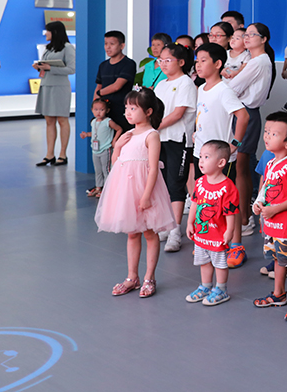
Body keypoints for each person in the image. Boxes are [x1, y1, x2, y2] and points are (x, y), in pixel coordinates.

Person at [95, 89, 176, 298]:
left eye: (133, 108)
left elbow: (153, 168)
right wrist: (118, 146)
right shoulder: (128, 135)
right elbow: (117, 165)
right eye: (126, 108)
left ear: (148, 111)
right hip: (127, 191)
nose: (128, 112)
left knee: (149, 233)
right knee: (132, 233)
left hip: (144, 190)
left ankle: (149, 277)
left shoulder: (152, 135)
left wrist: (147, 196)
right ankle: (132, 277)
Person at [252, 112, 287, 322]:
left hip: (286, 224)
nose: (267, 136)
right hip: (271, 224)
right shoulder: (270, 163)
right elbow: (266, 188)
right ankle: (278, 294)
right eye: (266, 132)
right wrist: (259, 203)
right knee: (277, 258)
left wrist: (274, 210)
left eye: (273, 134)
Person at [228, 22, 276, 248]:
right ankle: (245, 216)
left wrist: (229, 77)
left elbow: (233, 87)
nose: (246, 38)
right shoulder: (253, 59)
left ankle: (244, 218)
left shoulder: (258, 61)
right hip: (245, 111)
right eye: (245, 34)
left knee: (241, 166)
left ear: (263, 39)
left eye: (252, 35)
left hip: (246, 112)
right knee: (242, 165)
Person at [190, 43, 248, 230]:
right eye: (197, 61)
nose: (198, 65)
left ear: (217, 64)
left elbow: (243, 116)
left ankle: (235, 241)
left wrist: (234, 143)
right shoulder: (201, 88)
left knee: (227, 201)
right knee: (204, 197)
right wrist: (197, 132)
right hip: (201, 152)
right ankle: (207, 234)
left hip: (220, 156)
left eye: (203, 60)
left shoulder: (224, 90)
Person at [185, 140, 239, 307]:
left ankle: (221, 289)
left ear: (221, 163)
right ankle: (206, 286)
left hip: (218, 235)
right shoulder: (200, 182)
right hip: (202, 233)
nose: (201, 161)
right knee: (204, 261)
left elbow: (230, 212)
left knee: (220, 263)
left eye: (206, 157)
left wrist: (229, 230)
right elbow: (195, 203)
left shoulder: (228, 187)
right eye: (200, 156)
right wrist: (189, 222)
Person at [155, 43, 197, 253]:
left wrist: (155, 126)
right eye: (161, 60)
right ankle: (167, 225)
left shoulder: (186, 83)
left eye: (168, 60)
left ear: (181, 62)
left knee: (175, 184)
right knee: (162, 184)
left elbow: (178, 113)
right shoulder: (161, 84)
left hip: (178, 140)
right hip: (160, 139)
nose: (163, 64)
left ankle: (175, 232)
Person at [34, 20, 76, 166]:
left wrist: (50, 68)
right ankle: (49, 154)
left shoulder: (67, 48)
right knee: (49, 121)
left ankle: (63, 154)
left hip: (60, 88)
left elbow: (71, 69)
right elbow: (46, 67)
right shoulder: (48, 48)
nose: (46, 33)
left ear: (55, 32)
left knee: (62, 120)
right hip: (46, 85)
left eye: (48, 31)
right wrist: (40, 67)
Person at [94, 30, 137, 133]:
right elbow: (99, 85)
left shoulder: (129, 64)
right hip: (105, 113)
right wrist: (96, 106)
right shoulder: (103, 65)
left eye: (112, 44)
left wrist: (100, 93)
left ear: (122, 46)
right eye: (106, 44)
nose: (108, 47)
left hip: (121, 112)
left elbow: (117, 86)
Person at [81, 99, 122, 198]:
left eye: (101, 110)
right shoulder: (93, 122)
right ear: (92, 110)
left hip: (105, 149)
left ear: (107, 110)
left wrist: (114, 140)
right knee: (98, 170)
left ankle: (108, 188)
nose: (98, 112)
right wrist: (87, 134)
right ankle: (98, 187)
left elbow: (119, 129)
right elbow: (95, 134)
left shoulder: (108, 122)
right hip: (95, 150)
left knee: (106, 169)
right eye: (96, 109)